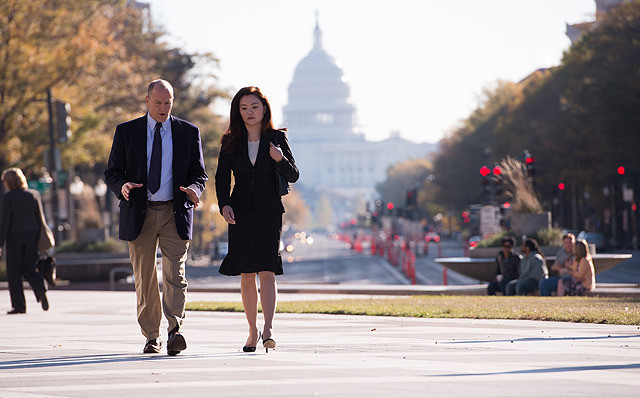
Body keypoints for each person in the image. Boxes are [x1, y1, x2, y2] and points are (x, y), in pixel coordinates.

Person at [104, 79, 208, 355]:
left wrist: (195, 190)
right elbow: (112, 172)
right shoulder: (127, 132)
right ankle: (152, 336)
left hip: (175, 211)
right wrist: (122, 186)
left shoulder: (188, 132)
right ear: (147, 101)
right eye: (158, 102)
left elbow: (200, 174)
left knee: (176, 274)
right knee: (145, 277)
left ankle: (175, 330)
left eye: (168, 103)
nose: (163, 108)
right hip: (140, 212)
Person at [215, 86, 299, 353]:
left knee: (267, 269)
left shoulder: (277, 138)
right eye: (243, 108)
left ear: (264, 109)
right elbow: (220, 178)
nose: (249, 112)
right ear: (237, 112)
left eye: (254, 107)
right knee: (246, 273)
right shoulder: (230, 141)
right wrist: (224, 205)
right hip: (240, 212)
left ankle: (268, 328)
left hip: (269, 211)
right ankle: (252, 331)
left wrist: (279, 158)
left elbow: (294, 174)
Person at [0, 168, 49, 314]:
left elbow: (5, 221)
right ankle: (40, 289)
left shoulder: (8, 197)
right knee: (29, 267)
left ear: (8, 183)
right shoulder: (34, 194)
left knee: (14, 272)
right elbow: (40, 217)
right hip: (32, 235)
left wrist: (0, 243)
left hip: (14, 236)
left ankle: (19, 305)